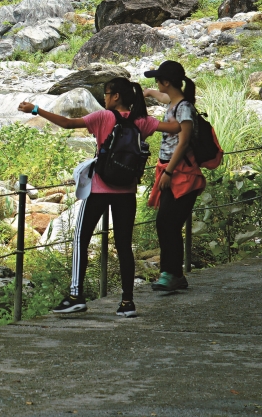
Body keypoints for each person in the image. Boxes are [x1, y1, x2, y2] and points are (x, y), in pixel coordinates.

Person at [18, 78, 158, 318]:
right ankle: (127, 303)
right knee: (124, 246)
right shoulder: (142, 122)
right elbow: (176, 128)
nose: (104, 98)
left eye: (106, 93)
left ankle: (76, 296)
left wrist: (35, 109)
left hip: (100, 190)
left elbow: (67, 123)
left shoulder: (103, 117)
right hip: (127, 192)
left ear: (115, 97)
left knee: (81, 239)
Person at [143, 60, 205, 294]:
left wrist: (168, 172)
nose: (156, 83)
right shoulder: (175, 102)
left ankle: (171, 274)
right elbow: (164, 98)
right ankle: (174, 275)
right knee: (167, 223)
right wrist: (149, 92)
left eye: (157, 81)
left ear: (166, 82)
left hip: (181, 173)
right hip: (173, 170)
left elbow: (184, 140)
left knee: (167, 223)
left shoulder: (184, 107)